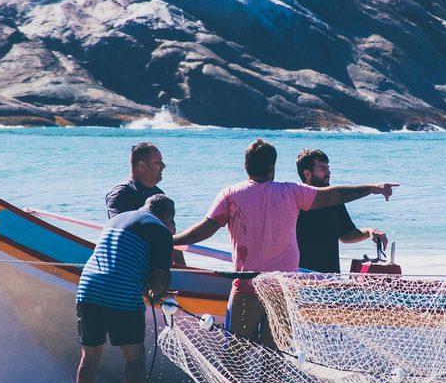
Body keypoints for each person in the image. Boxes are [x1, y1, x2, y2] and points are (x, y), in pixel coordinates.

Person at [172, 138, 397, 342]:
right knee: (276, 356)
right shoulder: (292, 192)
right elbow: (334, 194)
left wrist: (170, 240)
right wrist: (372, 188)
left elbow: (204, 230)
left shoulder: (230, 194)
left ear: (245, 166)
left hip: (246, 287)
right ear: (272, 168)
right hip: (283, 290)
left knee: (236, 353)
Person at [77, 194, 177, 383]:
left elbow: (123, 257)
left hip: (88, 287)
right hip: (121, 289)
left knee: (90, 355)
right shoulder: (159, 229)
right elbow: (160, 281)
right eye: (172, 221)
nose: (173, 227)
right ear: (167, 216)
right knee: (134, 355)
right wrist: (158, 292)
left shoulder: (116, 219)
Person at [293, 148, 389, 274]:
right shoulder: (294, 199)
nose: (329, 173)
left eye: (328, 168)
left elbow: (346, 235)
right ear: (307, 174)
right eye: (323, 169)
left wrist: (369, 231)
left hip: (329, 276)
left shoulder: (333, 200)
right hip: (298, 274)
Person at [105, 142, 166, 217]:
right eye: (157, 162)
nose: (163, 166)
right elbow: (120, 226)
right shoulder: (121, 194)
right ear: (142, 166)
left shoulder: (158, 194)